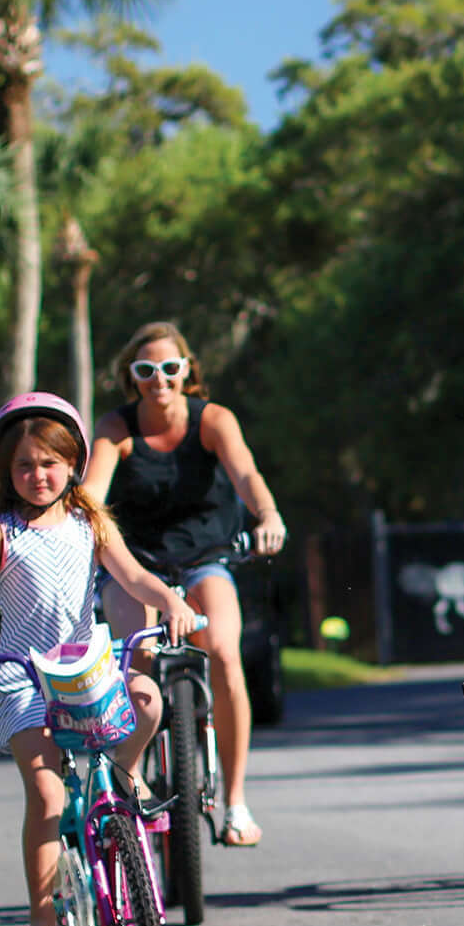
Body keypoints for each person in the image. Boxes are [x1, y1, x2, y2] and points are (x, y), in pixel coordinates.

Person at [0, 393, 196, 926]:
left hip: (83, 667)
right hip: (23, 678)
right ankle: (41, 917)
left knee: (147, 700)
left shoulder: (90, 522)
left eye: (49, 463)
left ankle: (125, 776)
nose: (37, 476)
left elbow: (131, 575)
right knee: (48, 794)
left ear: (73, 462)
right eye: (24, 465)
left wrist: (172, 602)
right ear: (7, 470)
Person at [87, 321, 287, 847]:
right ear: (132, 377)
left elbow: (246, 475)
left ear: (187, 372)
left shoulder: (213, 420)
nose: (160, 380)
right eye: (146, 370)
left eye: (170, 368)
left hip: (205, 559)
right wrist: (85, 535)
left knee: (222, 652)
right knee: (138, 658)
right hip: (136, 566)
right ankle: (131, 776)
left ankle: (236, 801)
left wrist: (266, 515)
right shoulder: (115, 428)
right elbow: (93, 493)